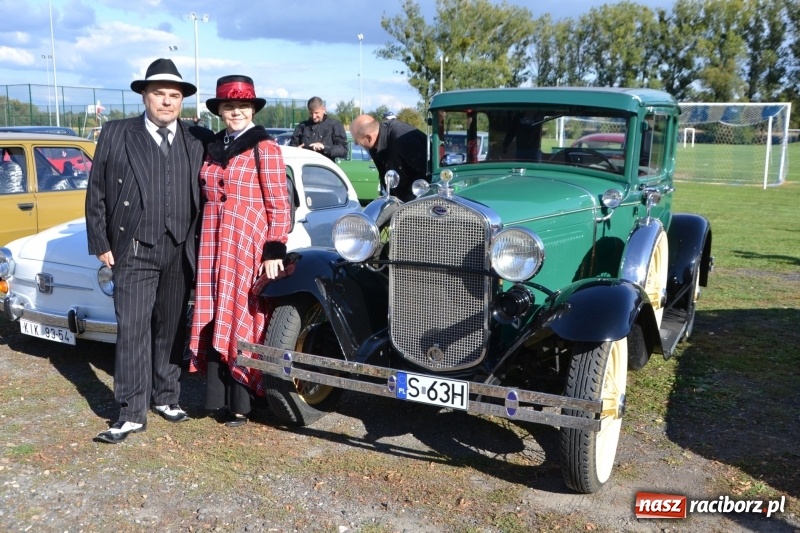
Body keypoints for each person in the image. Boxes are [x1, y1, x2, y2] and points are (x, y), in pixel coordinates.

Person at [86, 58, 214, 444]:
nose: (166, 102)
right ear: (144, 96)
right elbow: (97, 192)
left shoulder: (197, 137)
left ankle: (167, 395)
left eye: (174, 96)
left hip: (180, 248)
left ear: (181, 101)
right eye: (159, 94)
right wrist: (101, 242)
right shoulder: (116, 133)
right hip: (135, 247)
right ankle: (129, 411)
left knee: (173, 326)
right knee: (133, 329)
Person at [188, 75, 292, 428]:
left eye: (242, 106)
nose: (236, 112)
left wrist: (275, 247)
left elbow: (280, 203)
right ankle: (218, 398)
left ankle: (243, 401)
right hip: (213, 240)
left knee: (241, 312)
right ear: (220, 110)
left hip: (246, 243)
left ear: (251, 109)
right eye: (229, 106)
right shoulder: (214, 146)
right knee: (217, 310)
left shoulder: (265, 148)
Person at [349, 114, 428, 202]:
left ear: (369, 137)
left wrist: (405, 203)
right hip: (400, 198)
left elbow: (426, 173)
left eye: (356, 140)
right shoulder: (374, 147)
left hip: (421, 199)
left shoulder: (402, 138)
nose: (355, 144)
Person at [289, 96, 347, 161]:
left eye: (316, 113)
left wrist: (324, 147)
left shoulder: (334, 125)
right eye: (311, 113)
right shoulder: (302, 127)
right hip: (305, 167)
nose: (314, 116)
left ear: (324, 110)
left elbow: (343, 150)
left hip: (325, 168)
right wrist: (296, 150)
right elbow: (291, 147)